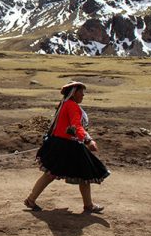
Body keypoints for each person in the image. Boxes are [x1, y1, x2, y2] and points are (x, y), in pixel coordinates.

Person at [24, 81, 110, 213]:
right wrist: (88, 141)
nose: (83, 95)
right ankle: (88, 205)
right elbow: (76, 126)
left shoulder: (64, 104)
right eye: (81, 92)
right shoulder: (72, 106)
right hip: (67, 145)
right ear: (74, 93)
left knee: (54, 174)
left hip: (59, 143)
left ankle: (31, 199)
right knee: (84, 174)